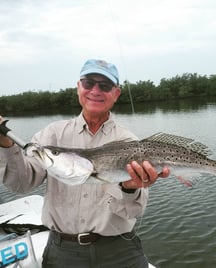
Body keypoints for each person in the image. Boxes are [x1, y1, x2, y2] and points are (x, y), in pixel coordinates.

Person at [0, 59, 169, 268]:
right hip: (63, 251)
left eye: (105, 86)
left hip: (119, 252)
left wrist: (128, 188)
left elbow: (133, 212)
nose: (95, 90)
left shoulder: (131, 144)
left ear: (116, 93)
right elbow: (20, 184)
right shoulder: (51, 135)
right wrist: (6, 144)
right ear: (78, 87)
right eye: (88, 83)